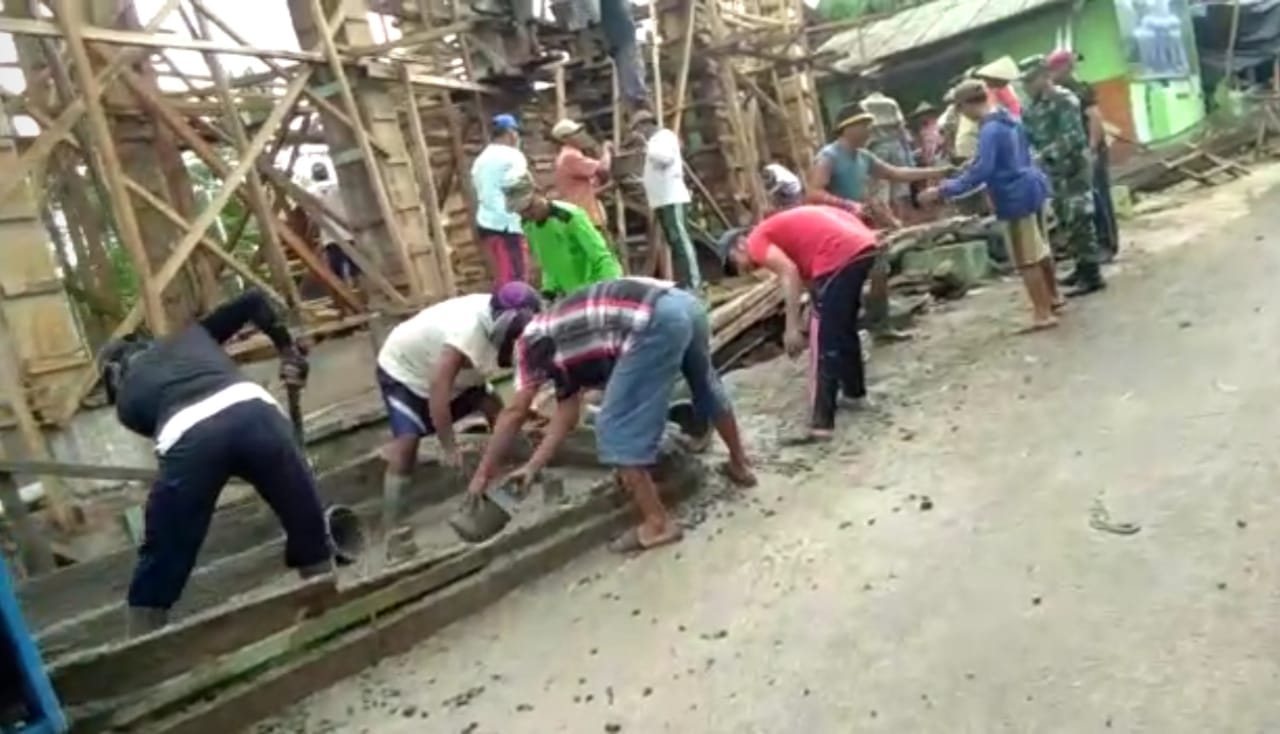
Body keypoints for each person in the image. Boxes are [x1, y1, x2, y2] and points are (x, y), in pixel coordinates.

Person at [98, 290, 331, 636]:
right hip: (257, 413)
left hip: (190, 439)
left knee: (167, 543)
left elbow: (178, 437)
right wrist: (287, 350)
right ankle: (325, 599)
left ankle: (141, 638)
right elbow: (253, 301)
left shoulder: (127, 402)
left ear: (114, 374)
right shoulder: (192, 336)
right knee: (302, 509)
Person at [466, 277, 756, 553]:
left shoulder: (529, 341)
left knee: (614, 426)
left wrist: (482, 474)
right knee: (704, 384)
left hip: (653, 321)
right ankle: (740, 464)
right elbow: (567, 415)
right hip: (683, 304)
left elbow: (515, 412)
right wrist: (532, 467)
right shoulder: (561, 333)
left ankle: (658, 524)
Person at [375, 282, 543, 550]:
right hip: (407, 372)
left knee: (495, 410)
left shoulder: (512, 322)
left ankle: (527, 470)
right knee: (406, 445)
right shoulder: (466, 333)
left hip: (459, 378)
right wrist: (449, 446)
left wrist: (527, 404)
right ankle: (392, 527)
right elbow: (438, 388)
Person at [718, 206, 881, 443]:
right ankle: (855, 394)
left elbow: (790, 273)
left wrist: (791, 328)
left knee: (823, 343)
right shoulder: (781, 230)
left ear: (739, 245)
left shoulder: (756, 241)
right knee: (843, 330)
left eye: (735, 264)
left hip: (838, 254)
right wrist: (812, 303)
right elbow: (807, 275)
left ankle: (821, 423)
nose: (743, 269)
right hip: (862, 246)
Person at [920, 80, 1060, 331]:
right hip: (1031, 184)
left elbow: (983, 171)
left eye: (960, 109)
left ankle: (1043, 313)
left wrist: (942, 189)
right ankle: (1053, 297)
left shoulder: (989, 130)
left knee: (1026, 257)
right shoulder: (1008, 118)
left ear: (966, 105)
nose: (962, 115)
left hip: (1013, 194)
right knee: (1041, 249)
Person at [806, 109, 949, 341]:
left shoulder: (863, 156)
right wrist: (847, 204)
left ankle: (880, 325)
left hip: (863, 222)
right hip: (837, 225)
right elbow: (813, 193)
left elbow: (896, 173)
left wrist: (938, 171)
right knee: (848, 278)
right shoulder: (829, 156)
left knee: (880, 270)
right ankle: (842, 330)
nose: (868, 130)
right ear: (847, 128)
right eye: (863, 125)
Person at [1020, 56, 1106, 297]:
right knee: (1065, 219)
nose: (1026, 86)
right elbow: (1029, 138)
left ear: (1044, 76)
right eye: (1024, 82)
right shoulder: (1030, 108)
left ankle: (1092, 274)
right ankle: (1081, 267)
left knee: (1080, 217)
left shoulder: (1064, 99)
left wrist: (1043, 155)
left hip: (1074, 168)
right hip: (1053, 173)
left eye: (1030, 80)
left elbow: (1073, 137)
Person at [502, 171, 623, 300]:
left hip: (594, 289)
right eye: (521, 212)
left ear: (539, 192)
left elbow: (602, 257)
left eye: (530, 207)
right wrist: (549, 291)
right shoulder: (528, 226)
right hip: (569, 296)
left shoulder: (569, 217)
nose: (527, 214)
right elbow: (549, 264)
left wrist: (610, 289)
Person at [1047, 49, 1118, 262]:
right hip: (1078, 153)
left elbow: (1094, 119)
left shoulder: (1079, 89)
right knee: (1086, 201)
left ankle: (1106, 244)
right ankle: (1093, 246)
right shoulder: (1060, 92)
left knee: (1099, 197)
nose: (1051, 74)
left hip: (1090, 150)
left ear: (1064, 67)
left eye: (1053, 69)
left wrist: (1092, 149)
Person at [633, 110, 701, 291]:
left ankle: (693, 284)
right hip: (662, 200)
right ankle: (686, 282)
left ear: (646, 125)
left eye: (638, 129)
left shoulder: (664, 137)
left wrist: (646, 145)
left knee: (681, 242)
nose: (638, 133)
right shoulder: (655, 142)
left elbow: (665, 159)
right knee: (674, 242)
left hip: (672, 198)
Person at [471, 113, 532, 286]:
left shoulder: (480, 160)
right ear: (511, 133)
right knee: (516, 278)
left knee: (501, 275)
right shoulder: (513, 156)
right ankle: (516, 311)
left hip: (486, 223)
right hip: (507, 224)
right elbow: (517, 187)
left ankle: (504, 307)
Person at [551, 118, 613, 234]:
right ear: (565, 139)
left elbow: (585, 191)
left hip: (584, 214)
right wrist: (607, 150)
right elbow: (603, 167)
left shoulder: (569, 156)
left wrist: (607, 187)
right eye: (576, 133)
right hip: (583, 216)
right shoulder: (570, 157)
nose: (581, 136)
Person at [307, 162, 360, 288]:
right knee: (356, 269)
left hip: (329, 238)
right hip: (348, 233)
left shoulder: (311, 192)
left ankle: (347, 298)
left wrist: (310, 233)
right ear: (327, 173)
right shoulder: (339, 187)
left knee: (337, 272)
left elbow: (313, 217)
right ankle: (361, 295)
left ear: (313, 176)